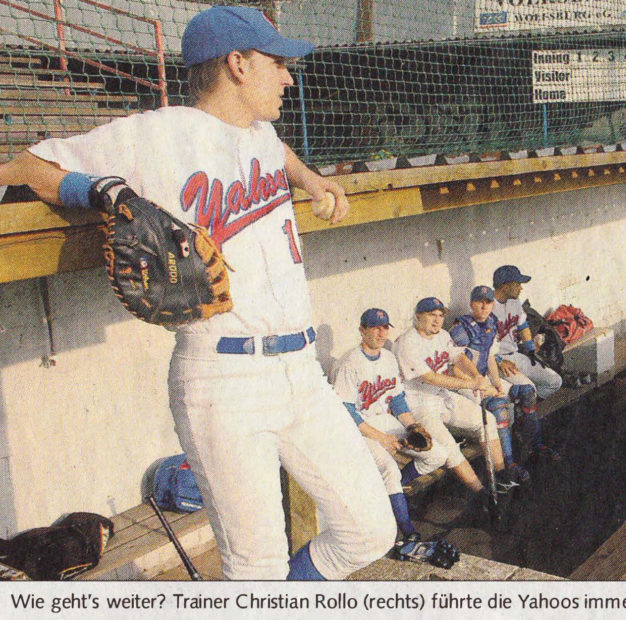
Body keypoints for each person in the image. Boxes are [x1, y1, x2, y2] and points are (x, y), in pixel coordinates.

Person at [0, 6, 396, 580]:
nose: (289, 77)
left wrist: (310, 179)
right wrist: (98, 188)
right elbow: (24, 166)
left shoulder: (262, 133)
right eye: (278, 63)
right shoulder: (155, 133)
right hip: (224, 381)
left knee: (369, 529)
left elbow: (277, 155)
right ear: (237, 63)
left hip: (302, 375)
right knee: (254, 568)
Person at [331, 308, 496, 543]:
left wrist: (412, 426)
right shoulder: (349, 362)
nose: (380, 332)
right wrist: (382, 438)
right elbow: (346, 410)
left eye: (385, 327)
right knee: (388, 468)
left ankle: (392, 493)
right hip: (361, 426)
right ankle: (408, 531)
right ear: (362, 330)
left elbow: (397, 399)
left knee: (437, 454)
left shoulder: (388, 358)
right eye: (374, 327)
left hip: (385, 419)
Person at [392, 297, 528, 489]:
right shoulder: (407, 342)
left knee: (487, 421)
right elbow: (430, 377)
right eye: (432, 315)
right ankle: (480, 492)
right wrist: (470, 383)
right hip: (418, 404)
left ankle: (501, 478)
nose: (437, 320)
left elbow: (459, 357)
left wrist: (477, 377)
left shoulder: (442, 335)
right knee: (450, 450)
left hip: (441, 396)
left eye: (440, 315)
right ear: (418, 316)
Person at [451, 285, 559, 463]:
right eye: (479, 302)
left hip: (483, 378)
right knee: (500, 408)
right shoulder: (461, 329)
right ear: (471, 304)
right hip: (465, 383)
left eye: (488, 302)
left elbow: (490, 357)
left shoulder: (490, 323)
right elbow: (455, 369)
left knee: (527, 392)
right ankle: (508, 464)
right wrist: (483, 386)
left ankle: (535, 444)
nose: (484, 306)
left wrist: (497, 383)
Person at [491, 265, 563, 397]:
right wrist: (498, 361)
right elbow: (479, 346)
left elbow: (523, 325)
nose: (521, 288)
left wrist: (530, 349)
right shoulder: (487, 307)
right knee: (528, 390)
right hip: (497, 360)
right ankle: (525, 407)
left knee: (555, 381)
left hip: (515, 355)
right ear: (505, 287)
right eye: (517, 284)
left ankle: (525, 407)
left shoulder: (514, 302)